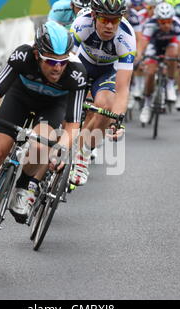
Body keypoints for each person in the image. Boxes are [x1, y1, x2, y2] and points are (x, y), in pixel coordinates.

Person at [0, 21, 88, 247]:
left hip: (52, 105)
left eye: (62, 62)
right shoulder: (22, 56)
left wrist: (61, 150)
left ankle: (24, 184)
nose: (57, 68)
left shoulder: (77, 74)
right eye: (50, 61)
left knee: (41, 147)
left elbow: (72, 125)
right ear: (36, 54)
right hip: (19, 97)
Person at [68, 0, 136, 186]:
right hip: (81, 63)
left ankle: (83, 155)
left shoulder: (127, 37)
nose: (109, 25)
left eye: (114, 20)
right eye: (105, 19)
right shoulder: (82, 24)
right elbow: (64, 63)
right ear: (94, 15)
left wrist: (118, 119)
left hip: (108, 70)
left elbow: (122, 88)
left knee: (106, 107)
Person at [136, 1, 180, 119]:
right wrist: (138, 58)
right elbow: (143, 44)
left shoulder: (178, 24)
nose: (166, 25)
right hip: (154, 46)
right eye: (163, 22)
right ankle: (147, 105)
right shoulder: (150, 24)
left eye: (169, 21)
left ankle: (170, 84)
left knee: (173, 53)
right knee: (150, 73)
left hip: (170, 45)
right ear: (158, 20)